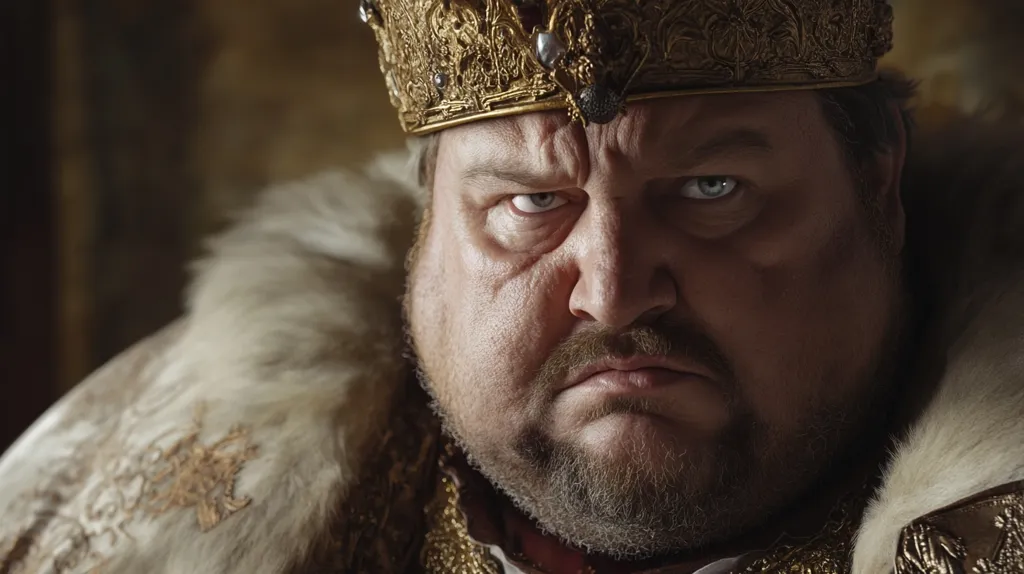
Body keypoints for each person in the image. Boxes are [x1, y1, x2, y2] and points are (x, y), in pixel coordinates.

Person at [2, 0, 1024, 572]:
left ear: (876, 182)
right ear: (426, 221)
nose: (614, 294)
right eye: (532, 204)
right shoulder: (91, 504)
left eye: (711, 189)